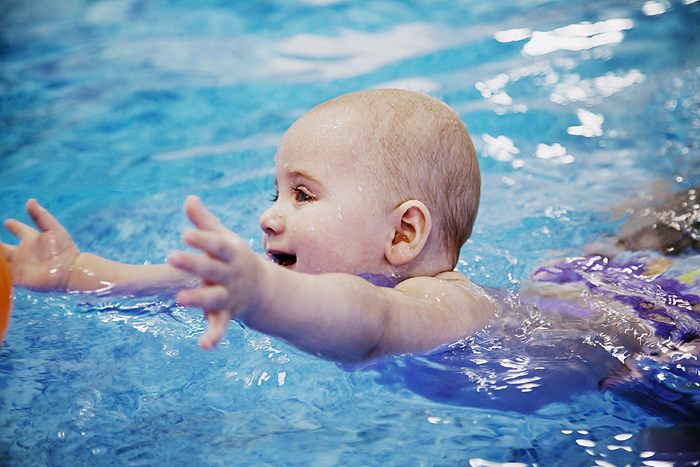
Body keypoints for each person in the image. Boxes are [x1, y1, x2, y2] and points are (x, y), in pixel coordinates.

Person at [2, 89, 497, 363]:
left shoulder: (449, 303)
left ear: (402, 234)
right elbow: (192, 282)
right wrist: (75, 271)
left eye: (302, 195)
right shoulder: (301, 274)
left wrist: (263, 294)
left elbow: (373, 322)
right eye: (275, 193)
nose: (268, 216)